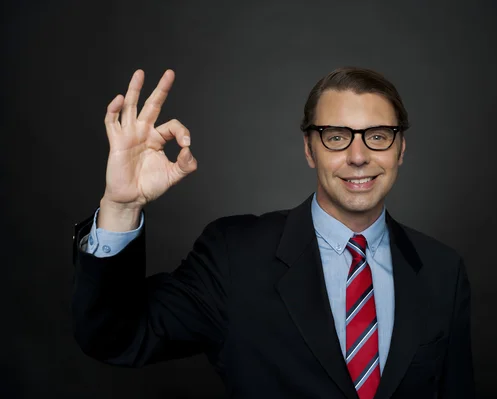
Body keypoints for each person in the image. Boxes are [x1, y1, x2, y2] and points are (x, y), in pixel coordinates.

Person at [72, 67, 474, 399]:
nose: (357, 156)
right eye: (336, 136)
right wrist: (121, 206)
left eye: (378, 136)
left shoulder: (442, 270)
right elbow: (116, 338)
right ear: (309, 148)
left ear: (400, 148)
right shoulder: (235, 256)